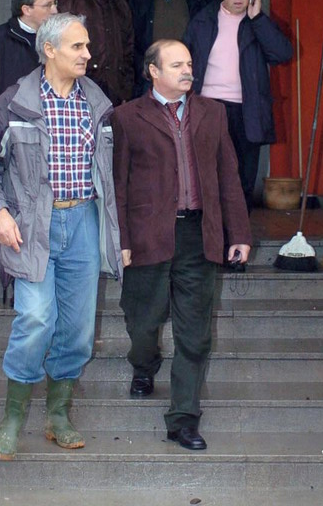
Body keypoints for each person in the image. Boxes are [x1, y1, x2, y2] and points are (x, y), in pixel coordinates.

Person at [0, 12, 122, 461]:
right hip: (31, 226)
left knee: (77, 329)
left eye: (87, 45)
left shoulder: (97, 102)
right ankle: (13, 417)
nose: (88, 54)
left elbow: (111, 173)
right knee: (36, 318)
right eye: (78, 46)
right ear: (49, 50)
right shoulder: (14, 102)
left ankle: (58, 415)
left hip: (83, 221)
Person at [112, 39, 251, 451]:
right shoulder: (126, 117)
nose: (187, 70)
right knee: (142, 322)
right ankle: (144, 364)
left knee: (195, 334)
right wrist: (120, 239)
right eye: (176, 65)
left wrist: (239, 233)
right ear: (153, 71)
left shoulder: (213, 112)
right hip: (146, 235)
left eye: (189, 63)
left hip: (198, 234)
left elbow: (228, 175)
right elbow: (118, 185)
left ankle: (183, 419)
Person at [184, 0, 293, 213]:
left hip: (247, 110)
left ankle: (239, 231)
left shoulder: (258, 23)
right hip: (208, 107)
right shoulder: (202, 20)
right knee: (209, 176)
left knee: (243, 178)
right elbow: (184, 57)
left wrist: (258, 19)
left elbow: (282, 53)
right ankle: (211, 231)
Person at [54, 0, 134, 105]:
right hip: (75, 88)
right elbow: (51, 44)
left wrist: (126, 89)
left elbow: (128, 47)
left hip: (114, 92)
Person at [129, 0, 211, 96]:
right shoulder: (138, 2)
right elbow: (132, 44)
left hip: (190, 79)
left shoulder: (200, 1)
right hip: (151, 82)